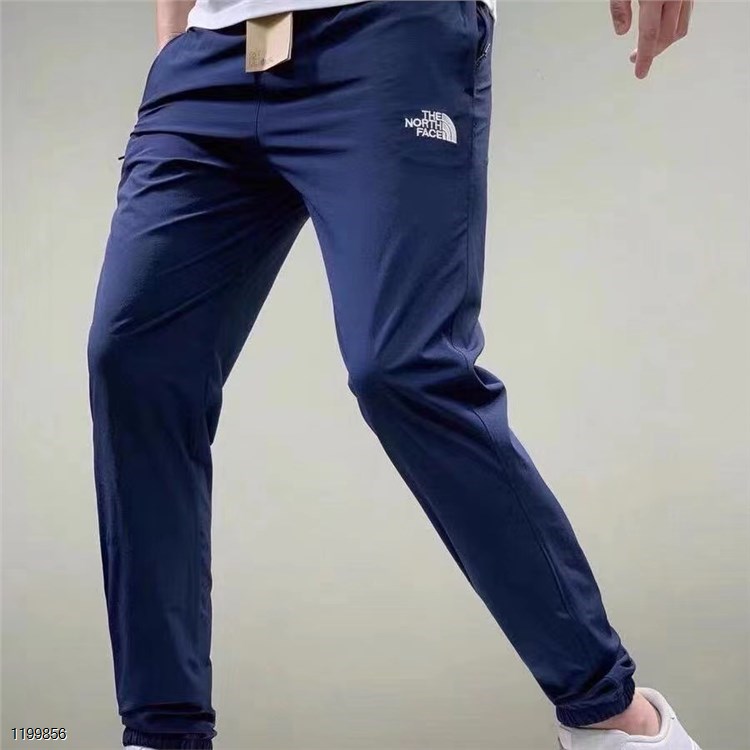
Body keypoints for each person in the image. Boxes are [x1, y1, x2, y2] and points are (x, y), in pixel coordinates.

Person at [86, 1, 701, 749]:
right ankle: (161, 733)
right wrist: (172, 47)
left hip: (388, 33)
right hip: (213, 55)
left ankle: (614, 716)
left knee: (403, 365)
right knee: (134, 362)